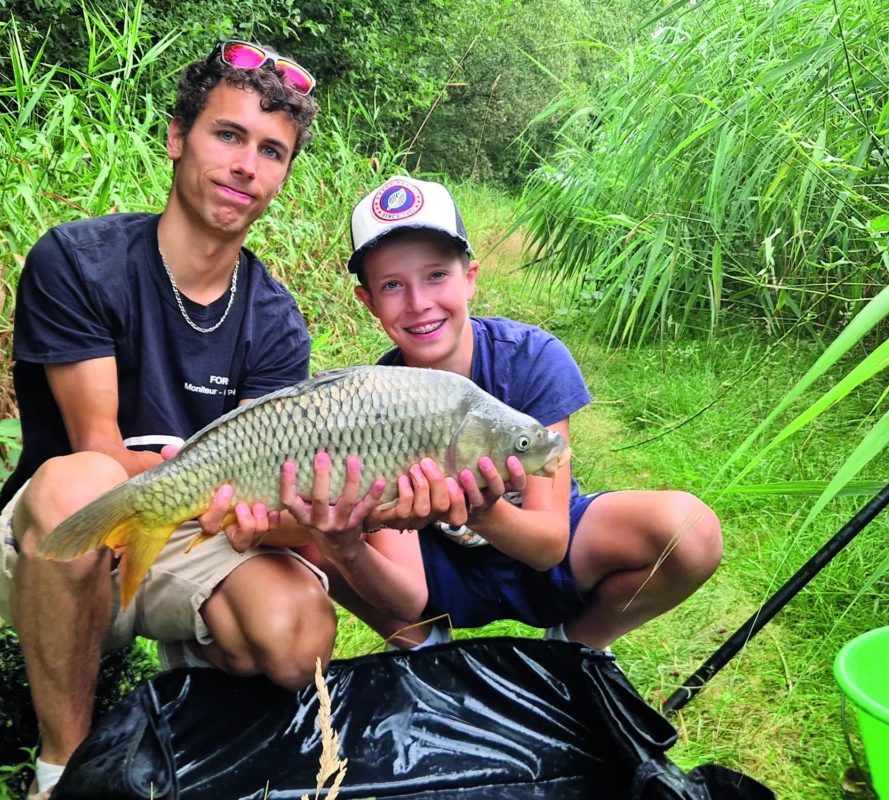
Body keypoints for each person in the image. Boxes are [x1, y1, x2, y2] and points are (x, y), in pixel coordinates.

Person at [0, 41, 344, 799]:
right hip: (68, 538)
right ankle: (65, 767)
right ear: (178, 136)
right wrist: (233, 493)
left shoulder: (276, 320)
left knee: (299, 629)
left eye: (272, 151)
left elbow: (263, 506)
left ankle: (186, 680)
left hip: (193, 534)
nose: (247, 166)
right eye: (228, 135)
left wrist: (324, 519)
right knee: (82, 479)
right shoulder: (79, 262)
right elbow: (101, 453)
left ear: (283, 174)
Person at [293, 176, 724, 654]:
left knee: (691, 531)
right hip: (437, 581)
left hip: (540, 558)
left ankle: (574, 650)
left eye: (436, 275)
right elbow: (406, 595)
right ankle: (426, 652)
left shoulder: (533, 358)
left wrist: (481, 511)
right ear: (369, 302)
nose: (419, 304)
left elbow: (548, 547)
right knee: (307, 531)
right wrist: (345, 545)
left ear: (470, 277)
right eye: (393, 285)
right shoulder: (378, 398)